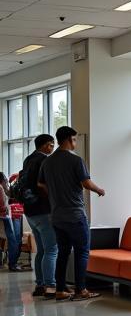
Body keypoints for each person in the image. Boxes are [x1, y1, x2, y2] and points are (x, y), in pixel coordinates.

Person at [38, 126, 105, 301]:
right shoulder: (76, 160)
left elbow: (41, 184)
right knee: (82, 252)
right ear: (69, 139)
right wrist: (100, 190)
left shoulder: (47, 161)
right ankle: (81, 290)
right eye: (74, 139)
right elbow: (86, 183)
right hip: (75, 215)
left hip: (57, 216)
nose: (75, 143)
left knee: (63, 252)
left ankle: (60, 290)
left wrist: (55, 193)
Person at [19, 133, 59, 298]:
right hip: (43, 210)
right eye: (51, 145)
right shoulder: (45, 160)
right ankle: (50, 286)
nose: (52, 148)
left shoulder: (28, 160)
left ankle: (40, 285)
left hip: (30, 212)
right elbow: (43, 185)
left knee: (41, 250)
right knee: (51, 249)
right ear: (45, 145)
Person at [0, 171, 23, 272]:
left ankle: (11, 263)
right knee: (13, 240)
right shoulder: (1, 188)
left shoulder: (3, 188)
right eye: (5, 179)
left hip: (4, 216)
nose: (6, 181)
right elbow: (3, 206)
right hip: (4, 217)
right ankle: (13, 264)